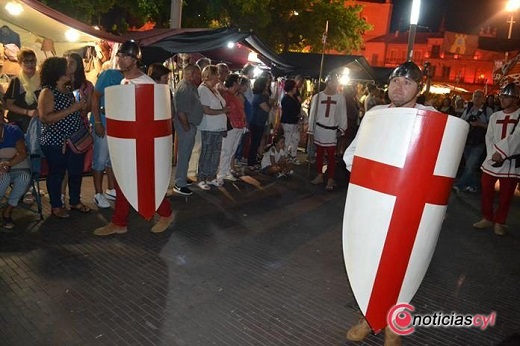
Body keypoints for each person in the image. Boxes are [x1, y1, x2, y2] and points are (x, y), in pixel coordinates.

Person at [343, 61, 436, 346]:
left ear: (419, 88)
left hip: (409, 207)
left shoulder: (431, 118)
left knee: (401, 265)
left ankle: (394, 323)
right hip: (375, 203)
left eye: (407, 82)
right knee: (370, 261)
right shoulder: (375, 114)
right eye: (396, 81)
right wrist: (371, 177)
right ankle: (368, 318)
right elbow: (352, 154)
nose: (399, 87)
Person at [93, 40, 174, 236]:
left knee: (144, 181)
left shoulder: (147, 84)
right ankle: (119, 222)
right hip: (127, 142)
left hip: (143, 144)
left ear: (135, 59)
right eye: (119, 55)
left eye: (125, 56)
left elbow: (151, 118)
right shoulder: (122, 81)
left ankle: (165, 212)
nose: (120, 59)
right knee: (123, 180)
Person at [37, 57, 89, 219]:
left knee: (75, 172)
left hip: (74, 141)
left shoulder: (68, 90)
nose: (69, 71)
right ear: (56, 72)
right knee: (57, 173)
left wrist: (80, 108)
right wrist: (73, 108)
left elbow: (73, 113)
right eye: (65, 68)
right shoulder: (47, 92)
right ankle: (56, 206)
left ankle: (75, 201)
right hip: (56, 142)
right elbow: (45, 117)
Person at [473, 83, 520, 236]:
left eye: (506, 97)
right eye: (502, 96)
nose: (502, 99)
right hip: (493, 159)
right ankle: (487, 217)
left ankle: (499, 221)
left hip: (510, 162)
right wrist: (494, 154)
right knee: (486, 189)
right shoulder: (495, 116)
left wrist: (502, 153)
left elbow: (517, 138)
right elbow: (490, 137)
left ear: (515, 99)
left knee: (506, 195)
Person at [308, 74, 348, 191]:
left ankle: (330, 178)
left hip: (332, 130)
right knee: (319, 154)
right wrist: (311, 130)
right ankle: (320, 175)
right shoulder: (317, 97)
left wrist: (342, 128)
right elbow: (312, 114)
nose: (335, 84)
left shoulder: (340, 98)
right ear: (327, 82)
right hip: (320, 129)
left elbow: (342, 114)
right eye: (333, 82)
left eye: (336, 82)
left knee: (331, 156)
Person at [90, 69, 123, 208]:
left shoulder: (130, 78)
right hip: (104, 123)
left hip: (116, 124)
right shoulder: (110, 74)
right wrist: (98, 122)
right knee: (100, 159)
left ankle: (111, 188)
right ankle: (98, 193)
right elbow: (95, 96)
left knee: (112, 159)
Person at [453, 90, 493, 193]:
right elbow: (462, 121)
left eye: (479, 96)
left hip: (479, 141)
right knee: (471, 165)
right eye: (475, 96)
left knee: (470, 164)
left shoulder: (487, 110)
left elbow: (492, 126)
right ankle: (473, 185)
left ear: (484, 98)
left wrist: (479, 124)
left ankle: (459, 185)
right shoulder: (469, 109)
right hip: (468, 140)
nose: (477, 98)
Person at [172, 64, 203, 196]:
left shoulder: (190, 87)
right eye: (198, 74)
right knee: (184, 154)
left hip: (189, 125)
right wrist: (187, 127)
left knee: (186, 154)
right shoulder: (185, 88)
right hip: (186, 125)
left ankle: (182, 178)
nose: (200, 77)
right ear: (191, 74)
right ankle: (179, 183)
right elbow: (181, 111)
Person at [196, 65, 228, 190]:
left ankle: (211, 176)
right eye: (217, 75)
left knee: (216, 152)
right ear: (211, 75)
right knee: (207, 152)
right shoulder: (203, 90)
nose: (218, 78)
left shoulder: (214, 89)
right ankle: (201, 177)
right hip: (209, 127)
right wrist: (222, 111)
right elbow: (206, 110)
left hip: (218, 127)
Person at [0, 123, 31, 229]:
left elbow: (22, 152)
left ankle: (7, 211)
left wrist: (7, 164)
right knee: (4, 179)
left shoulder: (13, 130)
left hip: (16, 166)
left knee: (24, 178)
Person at [217, 73, 246, 182]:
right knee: (226, 150)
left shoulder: (235, 96)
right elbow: (224, 109)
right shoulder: (226, 94)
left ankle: (227, 170)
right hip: (231, 125)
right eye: (238, 82)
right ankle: (221, 173)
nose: (240, 85)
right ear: (234, 83)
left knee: (232, 150)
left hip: (238, 125)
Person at [4, 48, 41, 133]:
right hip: (20, 122)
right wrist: (27, 112)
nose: (30, 64)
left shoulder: (42, 79)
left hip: (38, 120)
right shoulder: (16, 81)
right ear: (20, 63)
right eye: (26, 61)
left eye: (33, 60)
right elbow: (9, 104)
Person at [247, 76, 271, 169]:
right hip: (256, 122)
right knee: (254, 143)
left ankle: (253, 161)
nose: (267, 85)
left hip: (260, 122)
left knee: (257, 143)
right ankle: (250, 162)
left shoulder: (261, 96)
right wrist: (271, 103)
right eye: (266, 83)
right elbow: (267, 108)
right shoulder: (259, 97)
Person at [280, 79, 302, 165]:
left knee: (296, 139)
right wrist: (297, 115)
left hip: (295, 122)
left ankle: (293, 156)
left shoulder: (295, 97)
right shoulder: (286, 98)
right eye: (295, 87)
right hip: (288, 122)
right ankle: (284, 157)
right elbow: (289, 111)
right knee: (287, 140)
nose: (296, 89)